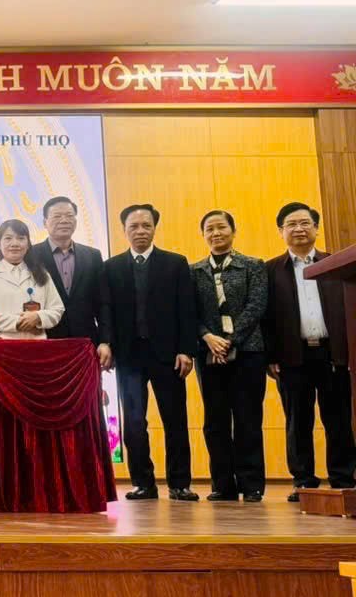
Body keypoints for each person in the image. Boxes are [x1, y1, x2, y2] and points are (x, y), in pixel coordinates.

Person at [99, 204, 199, 502]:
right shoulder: (111, 267)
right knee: (133, 423)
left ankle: (180, 484)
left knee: (175, 420)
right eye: (134, 226)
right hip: (129, 356)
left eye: (146, 225)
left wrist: (186, 350)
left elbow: (187, 310)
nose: (140, 231)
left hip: (168, 356)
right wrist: (107, 342)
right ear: (124, 230)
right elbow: (106, 310)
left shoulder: (175, 263)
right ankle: (143, 483)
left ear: (155, 228)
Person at [264, 201, 356, 501]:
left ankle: (343, 477)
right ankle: (303, 481)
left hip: (333, 354)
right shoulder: (270, 270)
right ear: (281, 231)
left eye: (305, 223)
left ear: (316, 228)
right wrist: (270, 357)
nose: (299, 228)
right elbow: (266, 318)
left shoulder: (335, 265)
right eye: (291, 224)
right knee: (297, 422)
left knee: (338, 419)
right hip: (292, 356)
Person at [190, 210, 268, 503]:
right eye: (209, 229)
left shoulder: (253, 266)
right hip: (209, 353)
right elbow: (190, 311)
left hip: (248, 352)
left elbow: (256, 306)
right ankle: (223, 484)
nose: (216, 233)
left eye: (221, 227)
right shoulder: (194, 271)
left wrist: (230, 340)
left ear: (233, 231)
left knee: (248, 418)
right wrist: (208, 337)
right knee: (215, 421)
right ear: (203, 235)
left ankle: (252, 484)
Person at [32, 197, 110, 365]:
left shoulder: (92, 255)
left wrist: (105, 341)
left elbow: (102, 303)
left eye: (69, 215)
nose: (64, 220)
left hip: (86, 342)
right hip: (45, 341)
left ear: (75, 220)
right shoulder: (31, 255)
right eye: (57, 216)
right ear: (45, 222)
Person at [0, 220, 65, 339]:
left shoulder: (42, 274)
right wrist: (18, 322)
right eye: (8, 238)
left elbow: (57, 309)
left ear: (28, 244)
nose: (14, 243)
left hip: (37, 345)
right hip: (0, 345)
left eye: (21, 238)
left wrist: (38, 317)